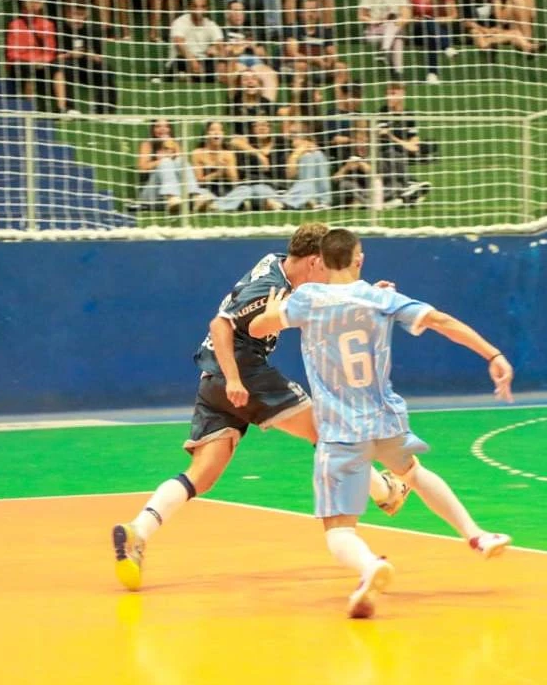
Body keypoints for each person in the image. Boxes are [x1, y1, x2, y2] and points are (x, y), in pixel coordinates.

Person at [110, 223, 409, 591]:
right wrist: (235, 379)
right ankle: (385, 491)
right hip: (242, 374)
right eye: (328, 264)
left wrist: (366, 293)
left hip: (212, 381)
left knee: (201, 475)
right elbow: (219, 325)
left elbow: (321, 299)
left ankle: (137, 532)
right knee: (327, 431)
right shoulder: (268, 287)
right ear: (314, 261)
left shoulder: (282, 267)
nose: (333, 271)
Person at [249, 226, 513, 618]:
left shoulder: (307, 299)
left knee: (339, 530)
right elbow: (441, 321)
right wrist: (493, 355)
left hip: (339, 430)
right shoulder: (380, 297)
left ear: (322, 261)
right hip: (385, 421)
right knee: (413, 474)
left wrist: (273, 312)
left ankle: (370, 566)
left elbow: (258, 329)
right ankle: (476, 536)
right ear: (359, 259)